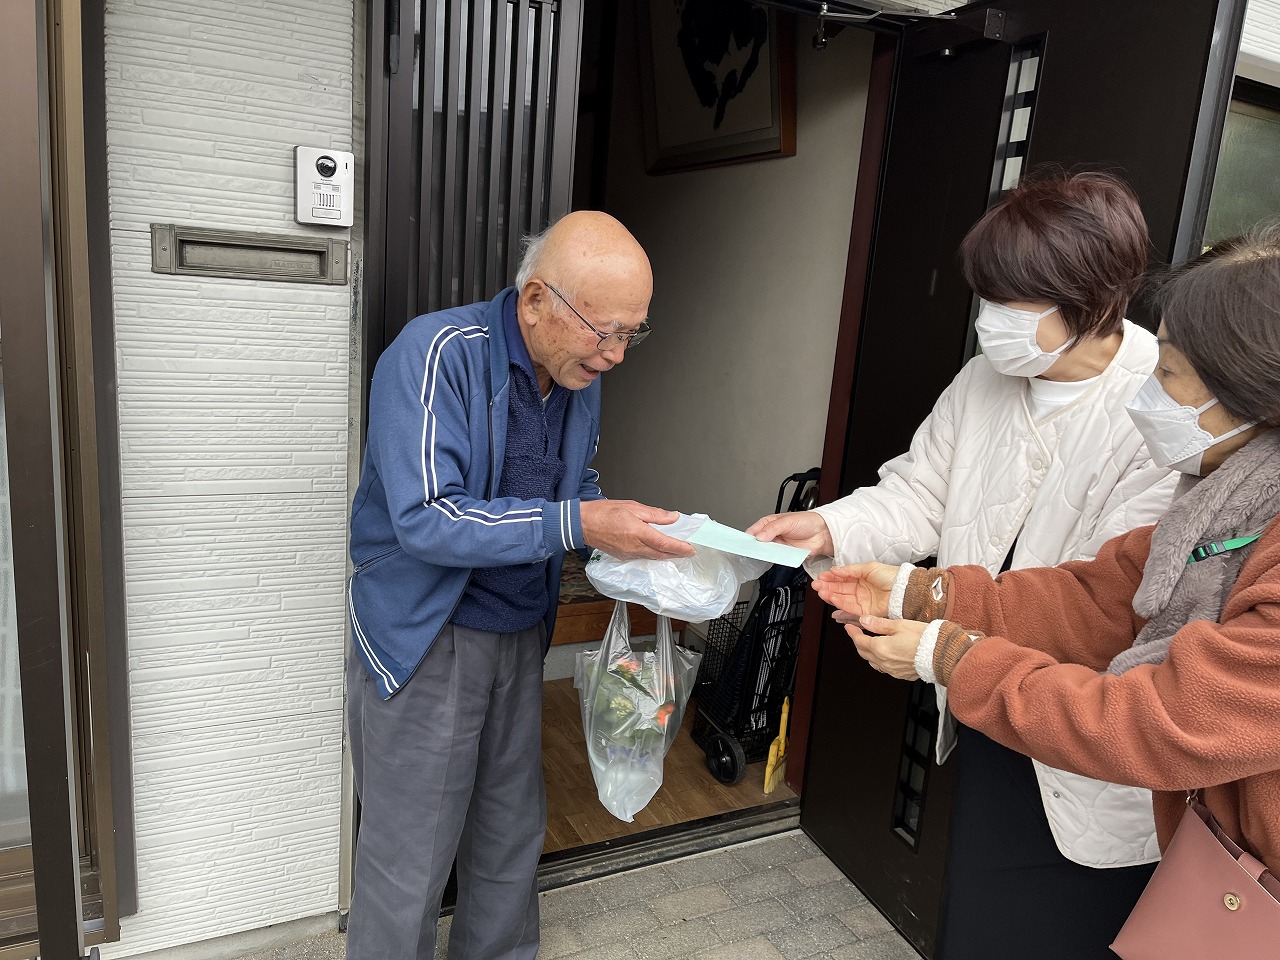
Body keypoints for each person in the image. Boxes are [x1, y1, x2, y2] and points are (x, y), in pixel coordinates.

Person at [747, 171, 1178, 958]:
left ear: (1090, 300)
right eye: (988, 297)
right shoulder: (986, 378)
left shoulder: (1161, 406)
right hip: (984, 690)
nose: (989, 322)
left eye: (1011, 303)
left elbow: (1106, 602)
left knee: (1065, 918)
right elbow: (917, 496)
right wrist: (823, 525)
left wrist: (928, 618)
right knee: (979, 914)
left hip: (1083, 716)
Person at [815, 224, 1280, 952]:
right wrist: (926, 594)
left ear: (1248, 390)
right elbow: (1104, 593)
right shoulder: (1226, 494)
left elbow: (1162, 720)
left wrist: (952, 655)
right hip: (1121, 771)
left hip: (1217, 853)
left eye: (1170, 372)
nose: (1149, 392)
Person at [344, 211, 695, 960]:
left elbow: (572, 487)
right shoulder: (435, 352)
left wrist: (632, 545)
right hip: (428, 638)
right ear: (535, 301)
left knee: (509, 839)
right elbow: (427, 518)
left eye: (632, 332)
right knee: (409, 860)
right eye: (604, 331)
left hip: (518, 630)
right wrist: (581, 521)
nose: (616, 355)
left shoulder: (577, 372)